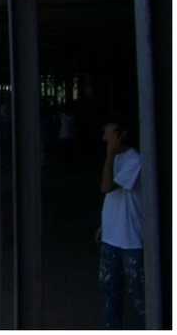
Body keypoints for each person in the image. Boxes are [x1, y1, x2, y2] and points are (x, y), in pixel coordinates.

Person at [96, 121, 144, 328]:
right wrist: (104, 225)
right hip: (111, 237)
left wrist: (109, 155)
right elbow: (113, 199)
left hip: (131, 239)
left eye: (108, 135)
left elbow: (107, 187)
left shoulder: (135, 160)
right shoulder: (116, 158)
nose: (105, 139)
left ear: (121, 135)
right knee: (110, 293)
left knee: (139, 295)